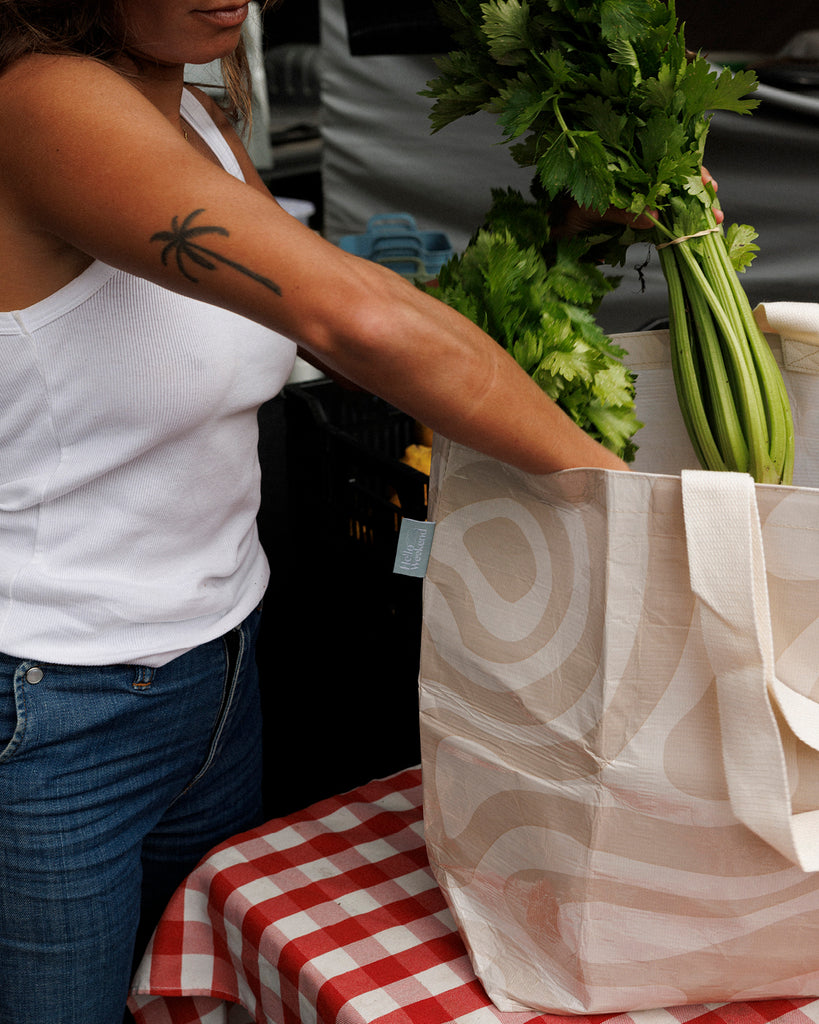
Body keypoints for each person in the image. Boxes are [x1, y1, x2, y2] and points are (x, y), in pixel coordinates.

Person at [0, 3, 649, 1023]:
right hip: (54, 706)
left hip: (216, 673)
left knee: (193, 998)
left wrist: (559, 228)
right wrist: (635, 501)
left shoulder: (200, 117)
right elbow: (353, 317)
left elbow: (344, 309)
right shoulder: (42, 100)